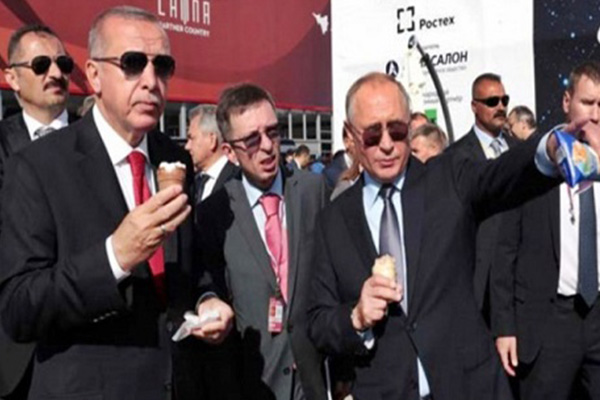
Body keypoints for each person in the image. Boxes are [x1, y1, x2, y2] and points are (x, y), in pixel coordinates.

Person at [306, 71, 591, 400]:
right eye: (372, 134)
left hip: (469, 387)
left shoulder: (448, 179)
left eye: (397, 130)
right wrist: (356, 316)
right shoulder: (333, 221)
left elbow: (501, 174)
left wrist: (550, 148)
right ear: (350, 135)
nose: (386, 144)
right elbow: (318, 322)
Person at [0, 7, 205, 400]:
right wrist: (114, 257)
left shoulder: (175, 159)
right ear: (94, 75)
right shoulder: (38, 166)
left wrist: (208, 301)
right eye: (132, 63)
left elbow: (190, 269)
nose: (151, 81)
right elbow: (19, 307)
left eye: (162, 66)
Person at [193, 83, 328, 400]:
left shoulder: (313, 191)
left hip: (312, 378)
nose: (267, 146)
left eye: (273, 132)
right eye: (252, 139)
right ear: (229, 152)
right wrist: (207, 301)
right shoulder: (214, 213)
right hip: (253, 382)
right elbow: (205, 283)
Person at [491, 61, 600, 400]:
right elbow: (505, 248)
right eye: (588, 103)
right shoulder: (535, 160)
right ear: (567, 101)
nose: (596, 115)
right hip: (549, 321)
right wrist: (504, 326)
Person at [0, 23, 73, 400]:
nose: (56, 73)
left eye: (64, 63)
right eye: (41, 65)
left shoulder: (98, 141)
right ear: (12, 77)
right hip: (15, 352)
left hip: (89, 344)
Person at [448, 73, 516, 325]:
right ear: (474, 106)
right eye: (491, 101)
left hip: (516, 272)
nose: (500, 107)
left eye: (504, 100)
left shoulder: (518, 150)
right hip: (477, 276)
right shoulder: (456, 156)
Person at [184, 105, 239, 204]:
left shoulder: (237, 180)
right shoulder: (193, 183)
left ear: (212, 140)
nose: (187, 146)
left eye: (192, 138)